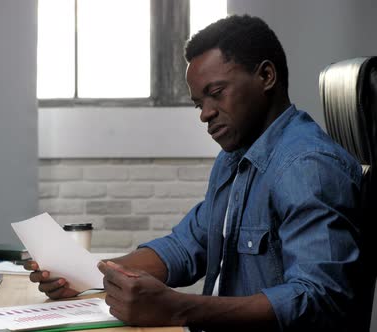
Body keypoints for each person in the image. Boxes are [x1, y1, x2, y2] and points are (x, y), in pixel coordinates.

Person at [26, 15, 367, 332]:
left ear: (266, 76)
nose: (204, 114)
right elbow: (187, 246)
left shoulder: (308, 167)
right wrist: (85, 275)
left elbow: (321, 299)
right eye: (197, 103)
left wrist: (180, 309)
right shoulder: (235, 157)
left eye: (216, 94)